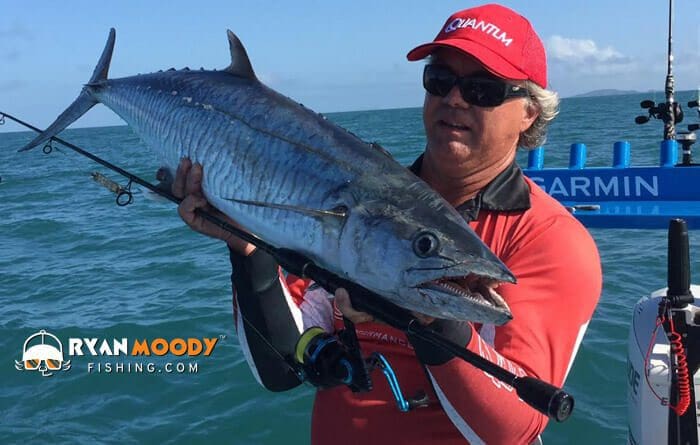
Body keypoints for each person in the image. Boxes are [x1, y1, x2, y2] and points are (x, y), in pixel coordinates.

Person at [172, 4, 601, 444]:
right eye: (440, 80)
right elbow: (279, 370)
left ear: (530, 112)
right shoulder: (361, 210)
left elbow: (513, 426)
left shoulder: (549, 238)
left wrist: (426, 314)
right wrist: (247, 252)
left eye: (483, 89)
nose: (454, 98)